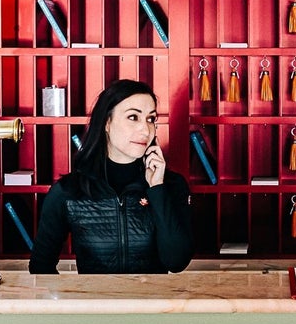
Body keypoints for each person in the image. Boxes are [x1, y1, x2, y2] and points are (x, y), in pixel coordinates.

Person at [29, 79, 194, 274]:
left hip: (154, 303)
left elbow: (176, 262)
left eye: (151, 119)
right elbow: (41, 266)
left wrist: (157, 188)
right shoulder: (69, 191)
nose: (146, 129)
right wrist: (73, 300)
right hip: (95, 303)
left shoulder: (172, 184)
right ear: (107, 123)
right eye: (133, 117)